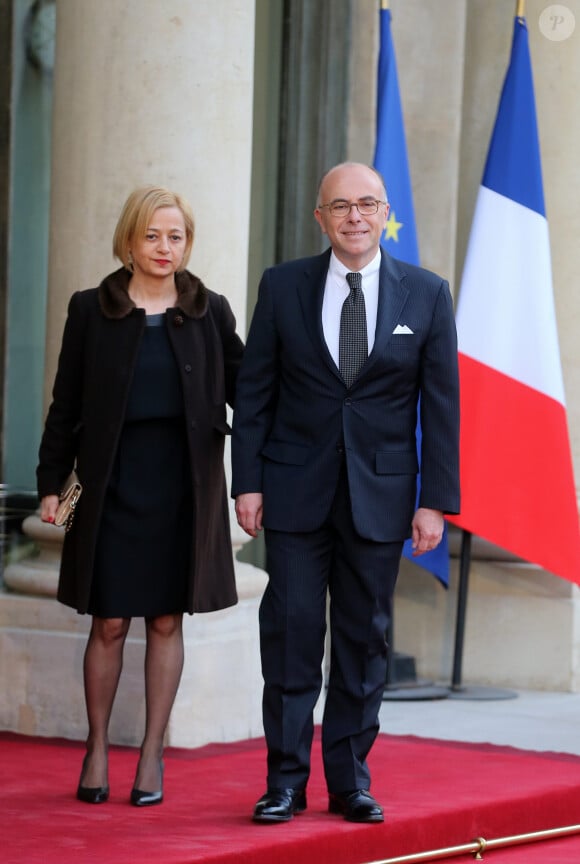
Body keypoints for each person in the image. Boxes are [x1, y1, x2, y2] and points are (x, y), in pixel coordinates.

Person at [232, 162, 460, 824]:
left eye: (366, 205)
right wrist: (246, 482)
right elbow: (255, 396)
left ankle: (350, 782)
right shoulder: (282, 288)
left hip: (383, 498)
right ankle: (284, 783)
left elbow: (441, 407)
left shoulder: (426, 293)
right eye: (340, 206)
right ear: (320, 217)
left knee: (363, 643)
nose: (354, 217)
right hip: (294, 493)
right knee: (292, 635)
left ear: (384, 213)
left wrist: (434, 500)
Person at [37, 185, 244, 807]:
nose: (164, 247)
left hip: (183, 488)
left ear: (188, 243)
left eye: (175, 236)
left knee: (164, 618)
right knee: (108, 621)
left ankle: (152, 753)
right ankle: (97, 746)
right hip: (111, 487)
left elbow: (251, 391)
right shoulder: (89, 310)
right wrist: (51, 484)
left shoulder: (211, 311)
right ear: (129, 240)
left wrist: (264, 474)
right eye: (152, 235)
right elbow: (65, 405)